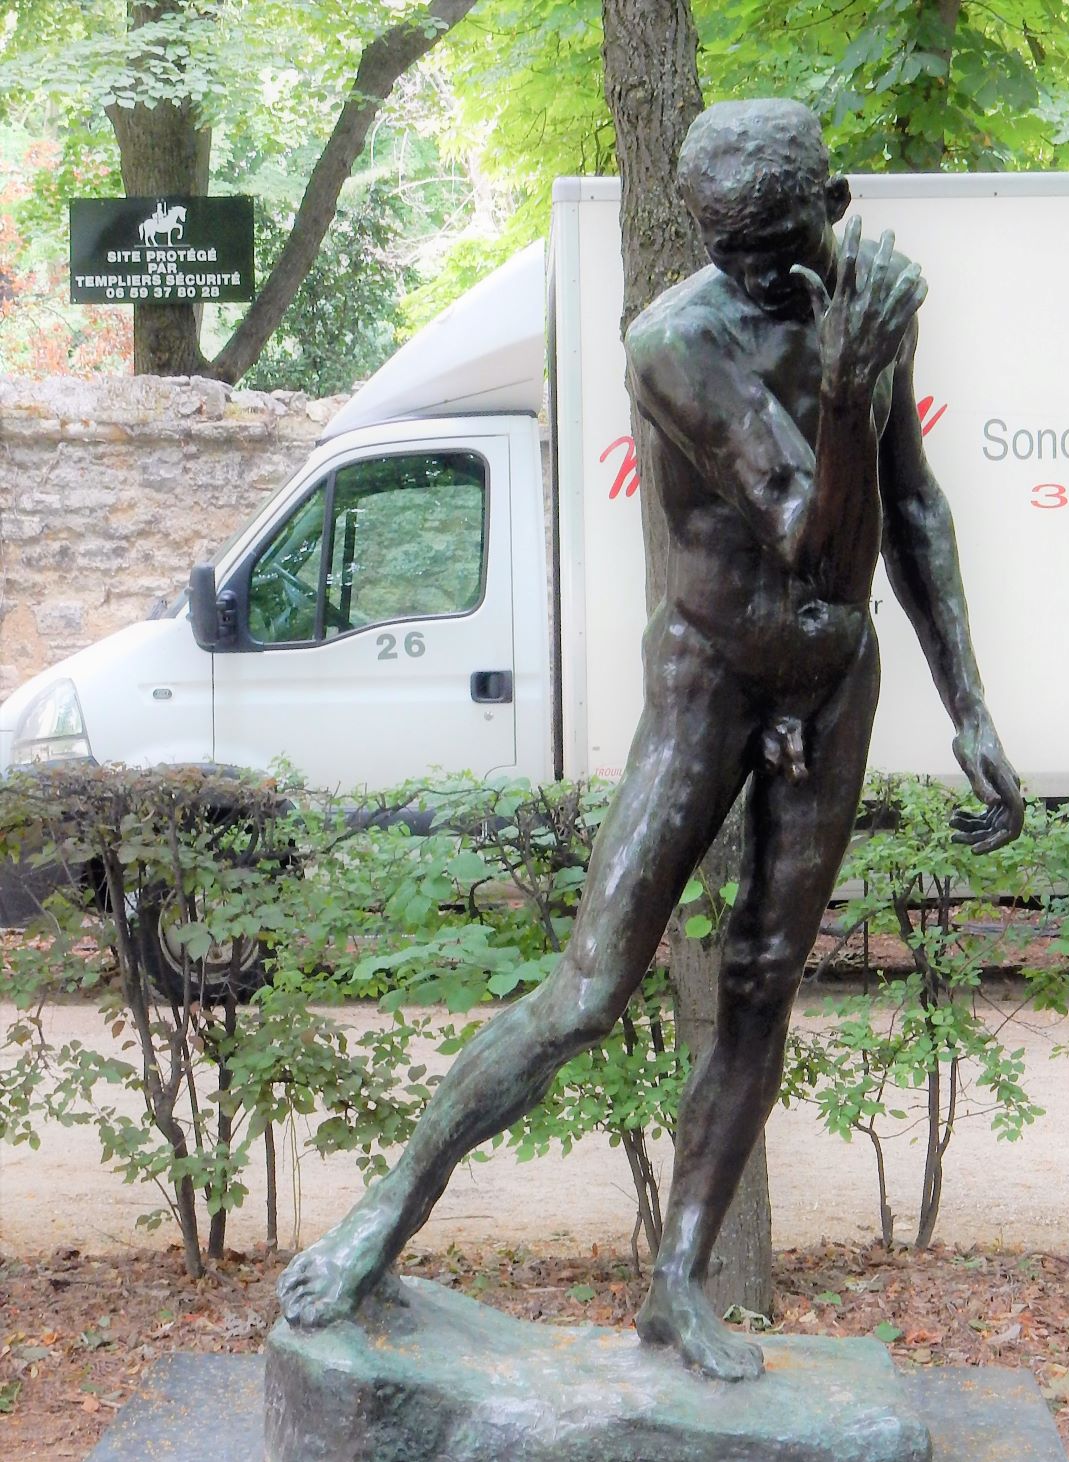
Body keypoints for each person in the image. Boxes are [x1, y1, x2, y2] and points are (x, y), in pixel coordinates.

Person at [279, 99, 1023, 1378]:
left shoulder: (862, 309)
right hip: (709, 676)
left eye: (781, 248)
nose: (759, 276)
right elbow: (809, 536)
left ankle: (678, 1281)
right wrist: (850, 388)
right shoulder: (677, 342)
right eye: (732, 251)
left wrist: (969, 702)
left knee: (762, 983)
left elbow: (909, 508)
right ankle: (382, 1216)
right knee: (589, 989)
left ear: (834, 206)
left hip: (833, 682)